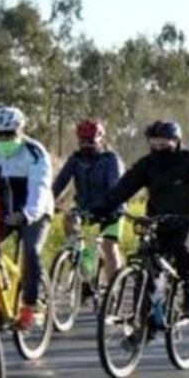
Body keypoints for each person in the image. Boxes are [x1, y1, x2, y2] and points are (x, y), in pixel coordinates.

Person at [95, 120, 189, 320]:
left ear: (176, 141)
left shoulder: (188, 160)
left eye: (164, 144)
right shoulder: (147, 165)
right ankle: (142, 322)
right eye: (154, 144)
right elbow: (124, 188)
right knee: (145, 261)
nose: (159, 148)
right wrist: (103, 207)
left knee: (183, 249)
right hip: (159, 222)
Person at [0, 106, 54, 330]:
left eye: (9, 134)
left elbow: (39, 188)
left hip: (35, 211)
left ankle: (31, 306)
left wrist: (27, 214)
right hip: (2, 210)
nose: (3, 139)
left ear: (21, 131)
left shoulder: (34, 152)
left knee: (31, 251)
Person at [52, 119, 125, 286]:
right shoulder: (75, 160)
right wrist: (47, 202)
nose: (86, 145)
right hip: (86, 207)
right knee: (70, 218)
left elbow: (116, 188)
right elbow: (59, 184)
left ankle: (114, 291)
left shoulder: (111, 160)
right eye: (82, 141)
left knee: (109, 247)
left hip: (112, 208)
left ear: (100, 138)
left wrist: (111, 207)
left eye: (90, 141)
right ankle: (83, 266)